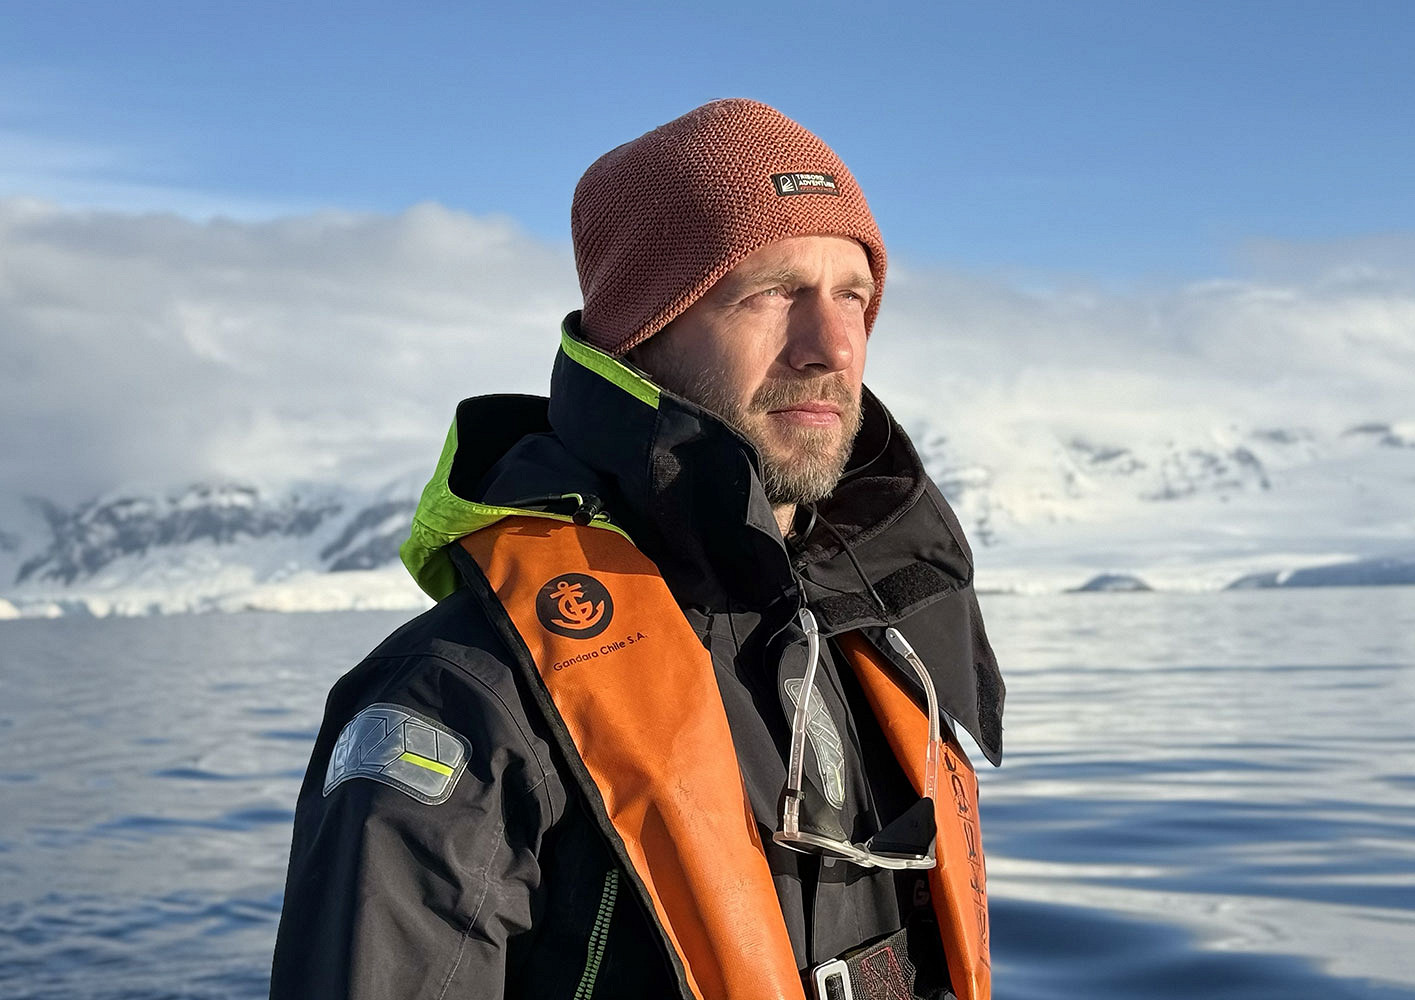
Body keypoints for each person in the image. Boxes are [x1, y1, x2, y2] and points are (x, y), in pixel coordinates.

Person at [270, 98, 1004, 1000]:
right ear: (640, 333)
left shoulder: (872, 644)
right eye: (772, 292)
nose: (833, 347)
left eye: (852, 295)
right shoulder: (462, 698)